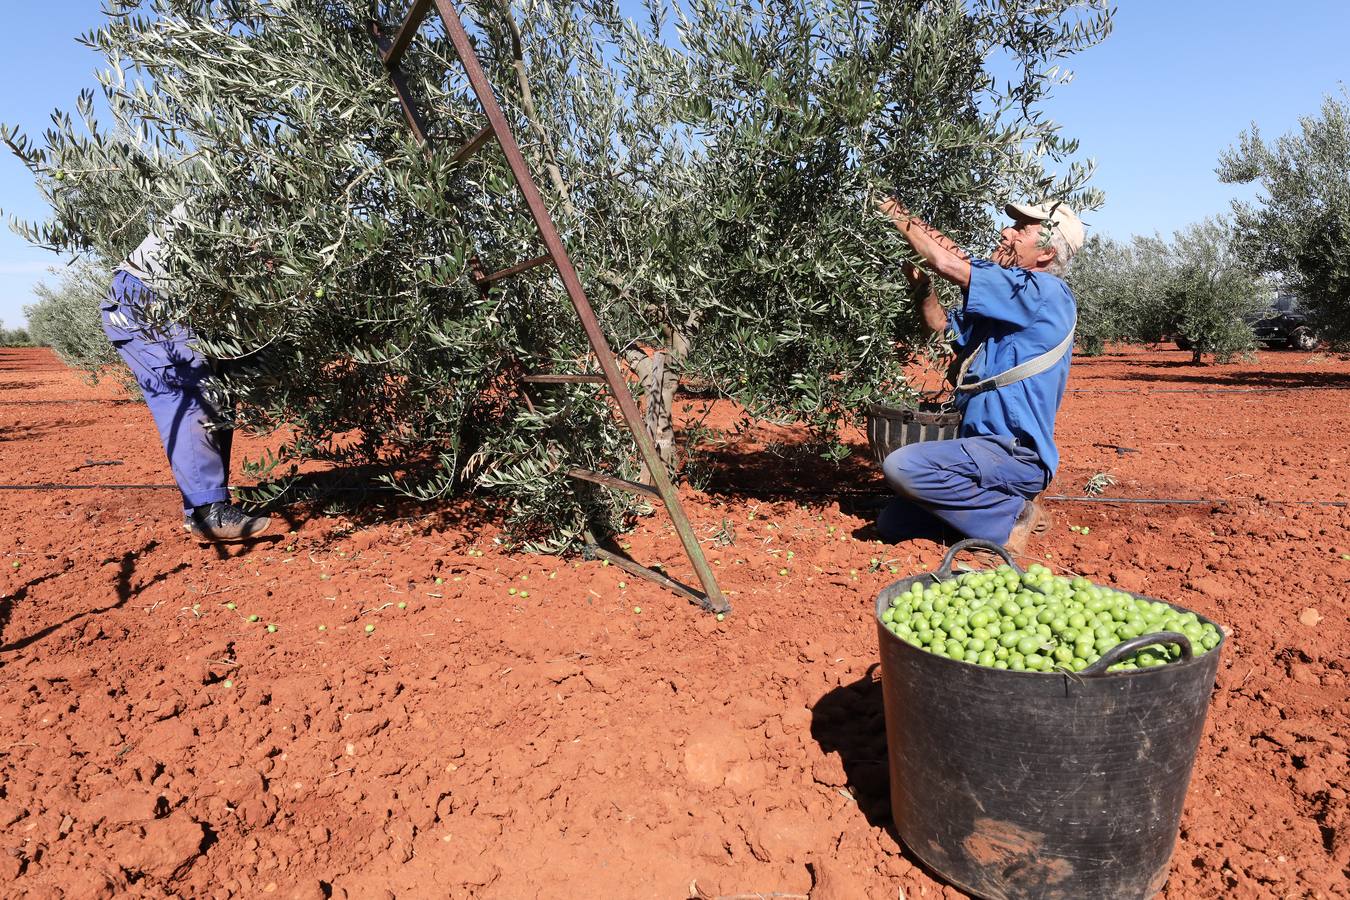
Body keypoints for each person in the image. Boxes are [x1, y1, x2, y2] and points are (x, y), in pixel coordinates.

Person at [873, 198, 1084, 553]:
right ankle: (998, 510)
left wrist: (894, 211)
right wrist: (921, 284)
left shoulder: (1044, 293)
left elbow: (947, 261)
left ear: (1046, 253)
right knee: (893, 523)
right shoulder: (1005, 306)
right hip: (976, 451)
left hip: (1015, 456)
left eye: (1021, 229)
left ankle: (1015, 514)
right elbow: (940, 331)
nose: (1006, 232)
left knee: (903, 467)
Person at [101, 204, 272, 543]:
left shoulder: (256, 204)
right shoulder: (235, 198)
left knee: (218, 393)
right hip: (144, 298)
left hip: (174, 303)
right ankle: (209, 512)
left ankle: (208, 507)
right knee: (192, 394)